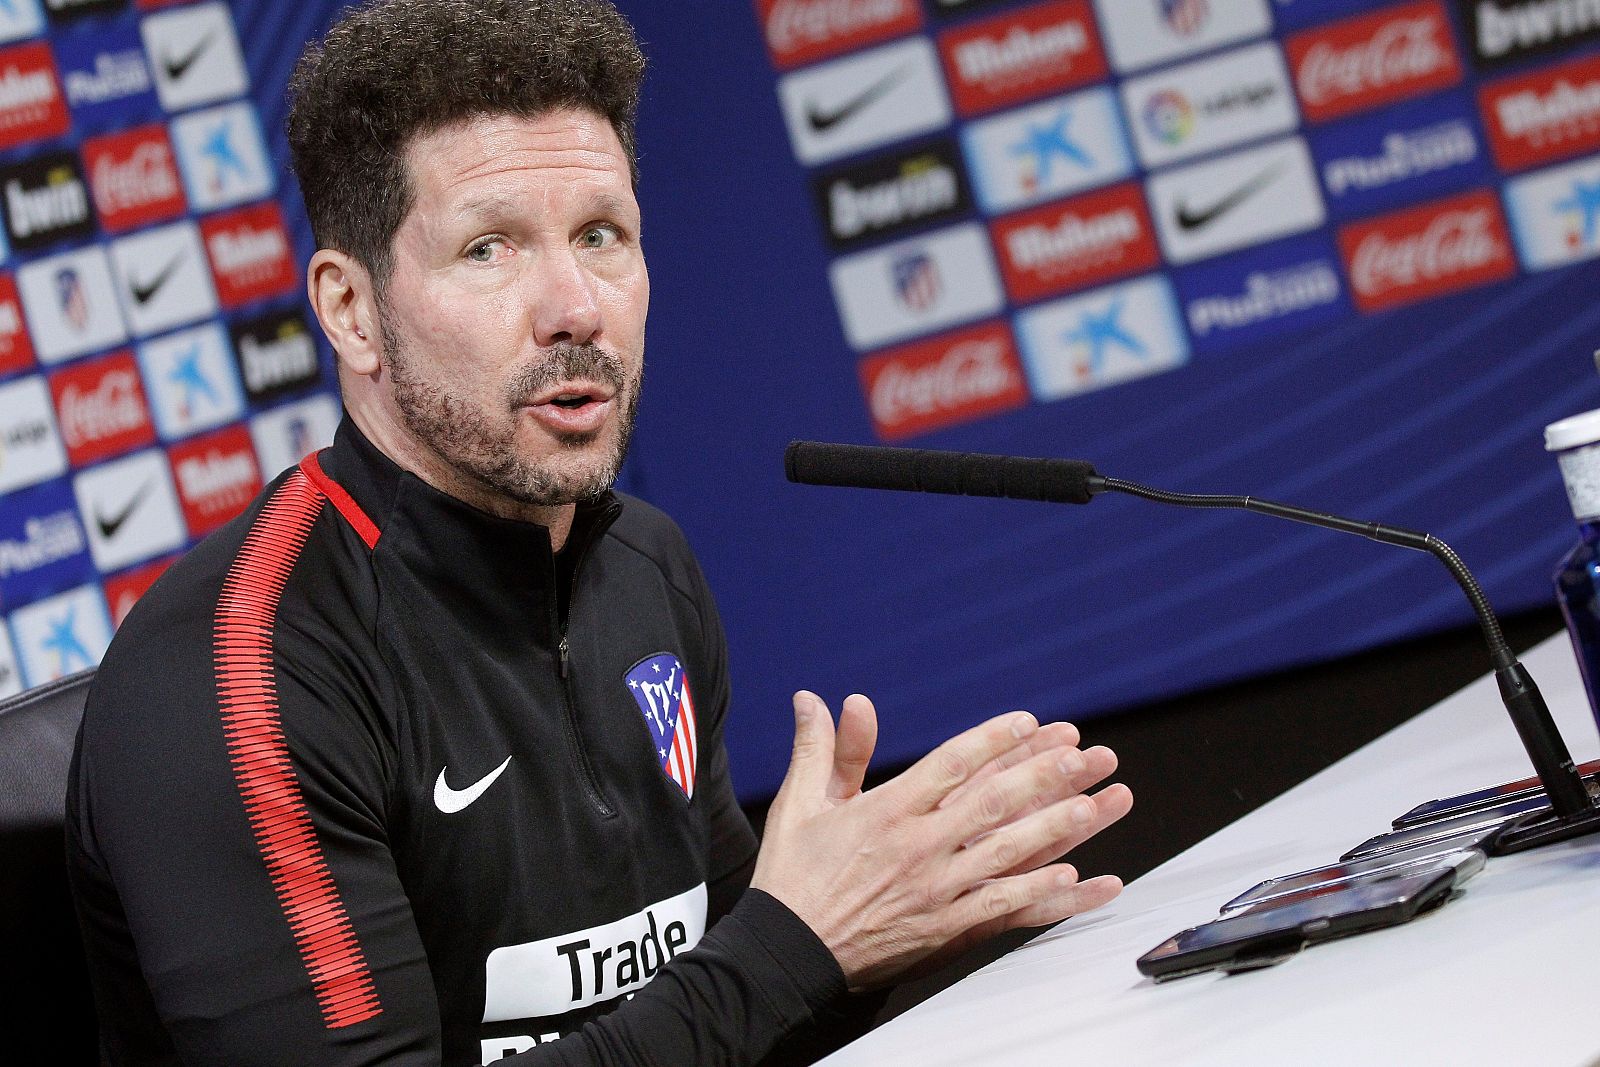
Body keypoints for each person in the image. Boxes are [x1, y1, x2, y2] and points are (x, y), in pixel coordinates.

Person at [65, 1, 1134, 1064]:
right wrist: (800, 944)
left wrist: (884, 928)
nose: (575, 306)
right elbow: (755, 976)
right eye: (489, 248)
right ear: (352, 311)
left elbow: (737, 1024)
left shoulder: (643, 566)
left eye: (600, 235)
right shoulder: (239, 676)